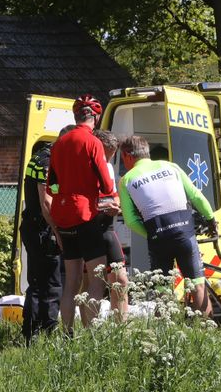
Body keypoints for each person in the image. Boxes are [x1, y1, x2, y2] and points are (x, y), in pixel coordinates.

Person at [118, 135, 217, 313]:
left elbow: (131, 221)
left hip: (158, 236)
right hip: (184, 231)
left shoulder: (126, 180)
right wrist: (210, 219)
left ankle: (165, 333)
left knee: (162, 289)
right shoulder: (172, 167)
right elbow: (196, 196)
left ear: (127, 156)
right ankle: (204, 334)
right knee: (198, 285)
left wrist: (153, 234)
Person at [48, 94, 114, 332]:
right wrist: (105, 194)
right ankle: (93, 333)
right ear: (95, 117)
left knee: (71, 282)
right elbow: (105, 181)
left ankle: (67, 333)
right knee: (96, 280)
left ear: (76, 116)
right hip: (85, 214)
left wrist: (63, 193)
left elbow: (51, 184)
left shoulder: (59, 144)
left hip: (63, 215)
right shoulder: (92, 142)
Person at [20, 124, 75, 344]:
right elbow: (46, 203)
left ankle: (34, 332)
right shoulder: (46, 161)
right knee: (49, 283)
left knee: (40, 281)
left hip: (36, 227)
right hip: (42, 229)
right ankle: (44, 332)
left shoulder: (45, 156)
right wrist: (58, 232)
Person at [93, 129, 129, 319]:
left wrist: (117, 205)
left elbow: (112, 195)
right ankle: (86, 329)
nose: (108, 159)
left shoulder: (106, 167)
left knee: (121, 280)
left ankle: (121, 328)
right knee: (91, 283)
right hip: (88, 228)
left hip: (108, 227)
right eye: (107, 154)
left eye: (112, 155)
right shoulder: (84, 166)